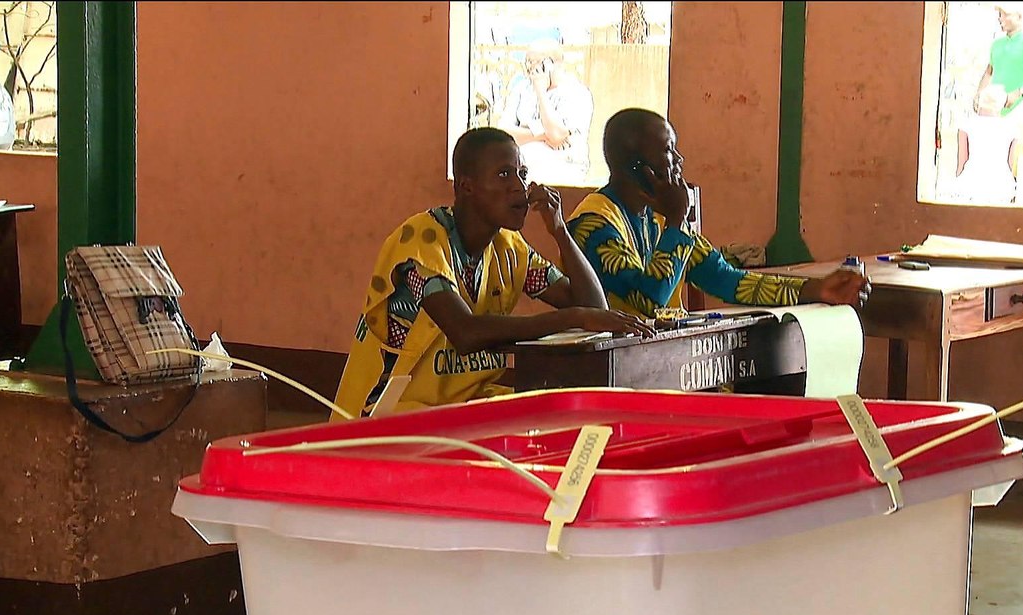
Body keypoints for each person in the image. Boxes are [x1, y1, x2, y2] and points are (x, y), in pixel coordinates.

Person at [331, 127, 652, 420]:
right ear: (466, 187)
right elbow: (465, 332)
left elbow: (593, 308)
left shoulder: (509, 248)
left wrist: (560, 233)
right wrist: (573, 318)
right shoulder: (421, 240)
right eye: (503, 175)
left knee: (553, 416)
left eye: (522, 174)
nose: (520, 187)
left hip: (461, 405)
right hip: (388, 412)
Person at [565, 108, 870, 320]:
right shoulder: (593, 224)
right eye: (669, 150)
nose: (679, 159)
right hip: (613, 374)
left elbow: (726, 279)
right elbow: (649, 299)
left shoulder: (656, 216)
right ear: (638, 167)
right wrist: (676, 221)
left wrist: (816, 289)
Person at [499, 39, 595, 186]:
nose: (530, 68)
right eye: (528, 62)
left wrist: (540, 91)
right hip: (523, 166)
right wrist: (543, 135)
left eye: (536, 62)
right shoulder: (521, 89)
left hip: (562, 166)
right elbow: (505, 134)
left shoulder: (577, 93)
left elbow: (556, 135)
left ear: (552, 64)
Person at [975, 3, 1023, 116]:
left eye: (1006, 14)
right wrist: (979, 94)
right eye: (1000, 14)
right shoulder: (996, 45)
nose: (1000, 18)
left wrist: (1020, 92)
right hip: (997, 111)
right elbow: (989, 72)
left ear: (1019, 17)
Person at [954, 85, 1018, 205]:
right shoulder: (1011, 129)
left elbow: (961, 163)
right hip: (1001, 187)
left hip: (970, 185)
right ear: (1001, 104)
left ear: (980, 101)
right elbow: (1010, 164)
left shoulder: (966, 125)